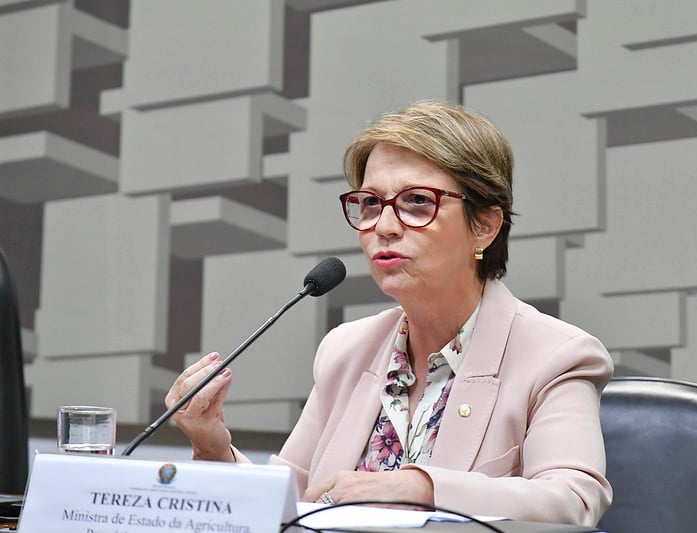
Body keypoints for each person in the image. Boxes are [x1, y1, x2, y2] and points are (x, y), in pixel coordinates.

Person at [165, 101, 614, 526]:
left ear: (485, 225)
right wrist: (212, 443)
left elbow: (572, 501)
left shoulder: (556, 355)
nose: (384, 226)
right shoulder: (347, 350)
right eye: (372, 203)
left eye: (417, 201)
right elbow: (292, 501)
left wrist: (418, 486)